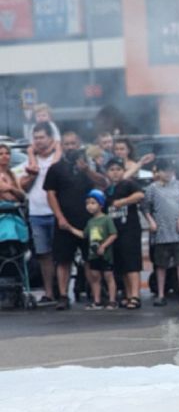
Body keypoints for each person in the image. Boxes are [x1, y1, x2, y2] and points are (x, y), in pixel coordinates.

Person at [43, 129, 106, 309]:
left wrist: (87, 171)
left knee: (91, 258)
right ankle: (63, 295)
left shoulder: (89, 165)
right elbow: (51, 194)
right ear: (62, 146)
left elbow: (103, 183)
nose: (71, 147)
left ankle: (96, 296)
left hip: (89, 221)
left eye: (74, 144)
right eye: (67, 144)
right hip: (65, 222)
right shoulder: (55, 168)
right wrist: (60, 217)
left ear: (79, 145)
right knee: (63, 260)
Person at [21, 123, 61, 305]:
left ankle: (62, 291)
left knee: (60, 254)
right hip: (37, 212)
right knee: (43, 254)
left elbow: (55, 169)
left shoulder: (57, 158)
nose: (38, 141)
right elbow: (24, 186)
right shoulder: (29, 162)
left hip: (56, 211)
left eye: (41, 137)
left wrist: (58, 147)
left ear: (50, 138)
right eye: (35, 138)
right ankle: (49, 292)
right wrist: (31, 167)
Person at [144, 158, 179, 306]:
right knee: (161, 265)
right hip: (161, 233)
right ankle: (160, 294)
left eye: (170, 170)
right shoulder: (152, 188)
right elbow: (145, 207)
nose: (168, 173)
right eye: (165, 170)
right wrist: (151, 221)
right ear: (158, 172)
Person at [104, 158, 146, 309]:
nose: (115, 172)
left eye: (118, 169)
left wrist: (123, 202)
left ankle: (135, 295)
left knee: (132, 264)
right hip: (115, 231)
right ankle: (128, 294)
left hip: (130, 229)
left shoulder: (128, 184)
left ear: (123, 170)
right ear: (107, 173)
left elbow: (140, 195)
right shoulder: (108, 190)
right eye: (111, 170)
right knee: (121, 264)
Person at [81, 190, 118, 310]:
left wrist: (103, 246)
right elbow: (84, 235)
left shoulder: (106, 219)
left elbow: (113, 234)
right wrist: (69, 228)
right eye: (87, 203)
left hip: (105, 254)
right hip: (93, 254)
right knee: (95, 276)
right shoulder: (90, 222)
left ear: (101, 205)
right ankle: (97, 301)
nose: (89, 206)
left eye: (93, 202)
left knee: (108, 276)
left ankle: (112, 300)